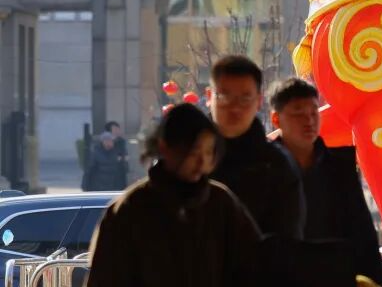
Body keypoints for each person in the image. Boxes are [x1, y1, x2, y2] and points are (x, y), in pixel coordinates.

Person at [86, 103, 261, 287]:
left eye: (208, 152)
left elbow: (254, 265)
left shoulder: (221, 202)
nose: (202, 161)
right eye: (194, 151)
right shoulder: (131, 208)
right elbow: (105, 277)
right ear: (165, 147)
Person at [269, 77, 382, 286]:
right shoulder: (263, 168)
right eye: (298, 112)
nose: (309, 120)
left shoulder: (339, 167)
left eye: (314, 112)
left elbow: (363, 234)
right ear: (276, 119)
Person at [208, 55, 304, 238]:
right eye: (225, 96)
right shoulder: (186, 156)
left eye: (245, 98)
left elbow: (287, 243)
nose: (234, 107)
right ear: (209, 96)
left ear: (259, 101)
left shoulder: (277, 165)